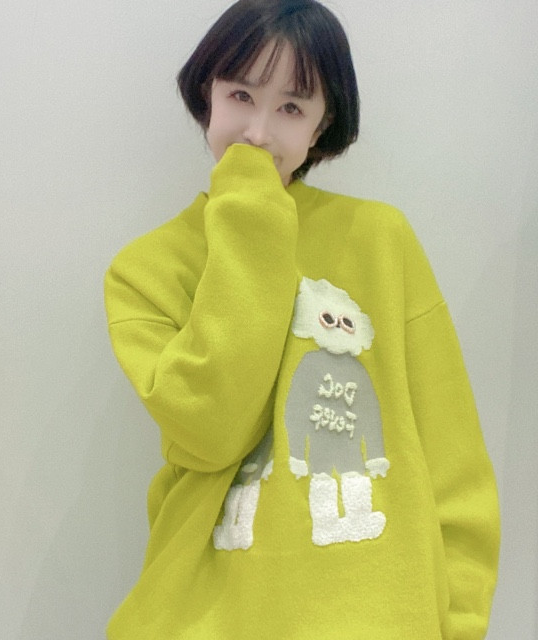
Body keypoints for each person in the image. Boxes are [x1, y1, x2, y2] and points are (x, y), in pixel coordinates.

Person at [104, 0, 500, 638]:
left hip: (378, 613)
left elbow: (453, 458)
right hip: (209, 613)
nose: (258, 132)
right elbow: (212, 428)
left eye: (291, 107)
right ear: (207, 93)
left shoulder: (381, 240)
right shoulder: (146, 270)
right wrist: (251, 217)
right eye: (241, 95)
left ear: (322, 126)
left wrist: (460, 620)